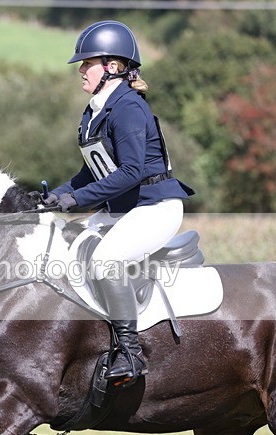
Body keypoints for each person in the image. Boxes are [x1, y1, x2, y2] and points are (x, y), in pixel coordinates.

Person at [44, 20, 194, 385]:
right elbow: (91, 172)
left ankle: (131, 352)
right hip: (125, 211)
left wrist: (74, 200)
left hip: (155, 208)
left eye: (87, 63)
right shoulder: (95, 111)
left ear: (112, 66)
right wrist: (52, 197)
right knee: (64, 246)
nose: (80, 70)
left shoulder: (127, 108)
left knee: (106, 260)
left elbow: (129, 173)